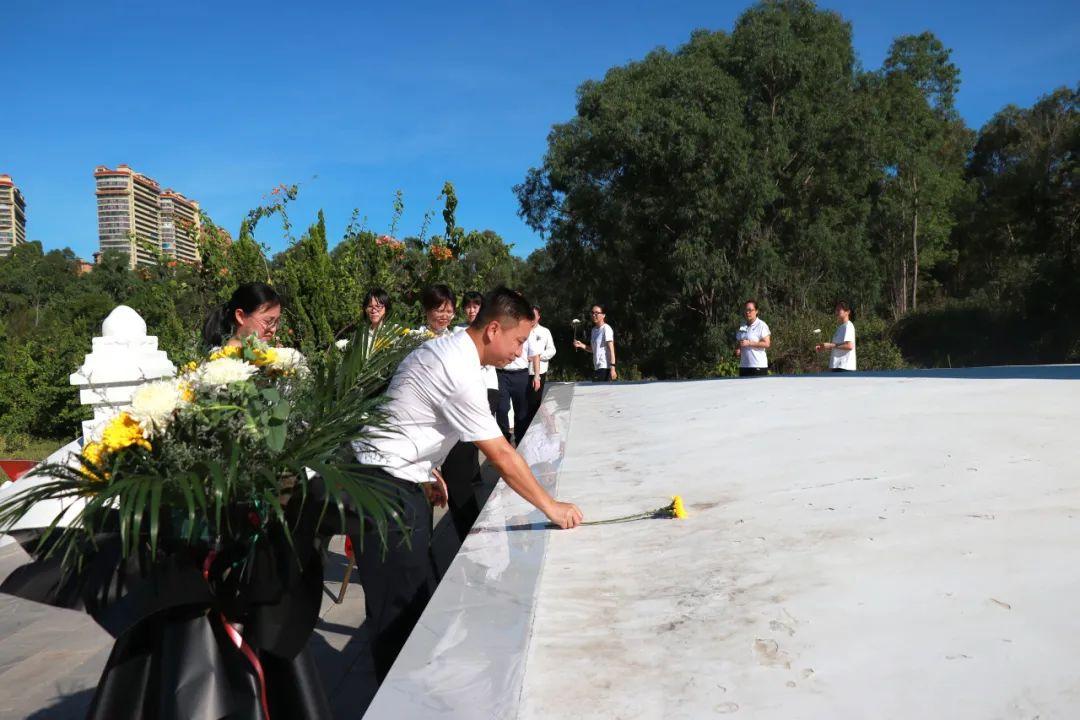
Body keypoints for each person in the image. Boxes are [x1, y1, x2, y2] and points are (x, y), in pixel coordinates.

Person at [351, 287, 583, 683]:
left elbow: (406, 417)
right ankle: (398, 700)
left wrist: (427, 470)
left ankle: (414, 691)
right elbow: (502, 456)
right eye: (519, 341)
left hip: (394, 480)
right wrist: (552, 507)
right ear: (494, 329)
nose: (521, 352)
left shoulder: (446, 352)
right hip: (385, 492)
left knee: (414, 601)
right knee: (398, 617)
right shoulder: (458, 369)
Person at [496, 307, 538, 444]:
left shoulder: (528, 331)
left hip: (520, 375)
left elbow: (535, 355)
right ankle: (504, 439)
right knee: (502, 408)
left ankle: (521, 440)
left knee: (521, 410)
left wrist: (536, 375)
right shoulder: (501, 329)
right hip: (501, 374)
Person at [201, 282, 281, 348]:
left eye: (276, 322)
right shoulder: (219, 360)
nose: (273, 330)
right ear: (240, 316)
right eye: (268, 321)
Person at [526, 304, 557, 427]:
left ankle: (536, 427)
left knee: (535, 402)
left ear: (539, 316)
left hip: (539, 372)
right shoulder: (523, 330)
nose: (531, 318)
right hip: (523, 371)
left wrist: (538, 357)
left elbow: (552, 350)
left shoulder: (545, 331)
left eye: (534, 315)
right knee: (524, 403)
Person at [573, 304, 616, 382]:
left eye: (597, 313)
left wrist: (613, 368)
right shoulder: (594, 330)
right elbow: (594, 350)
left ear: (603, 315)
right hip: (597, 368)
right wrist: (581, 345)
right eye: (592, 313)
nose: (594, 315)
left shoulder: (606, 329)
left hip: (605, 368)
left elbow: (611, 350)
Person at [816, 300, 856, 372]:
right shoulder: (840, 327)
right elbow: (837, 347)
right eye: (836, 310)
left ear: (847, 312)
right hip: (837, 367)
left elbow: (849, 346)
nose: (836, 312)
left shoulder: (848, 326)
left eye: (839, 309)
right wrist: (824, 347)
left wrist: (830, 345)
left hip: (844, 368)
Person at [735, 300, 770, 377]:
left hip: (758, 366)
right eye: (746, 310)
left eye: (750, 310)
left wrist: (750, 343)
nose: (747, 312)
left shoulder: (762, 325)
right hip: (744, 367)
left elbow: (767, 344)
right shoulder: (742, 326)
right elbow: (739, 342)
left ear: (756, 311)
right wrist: (738, 349)